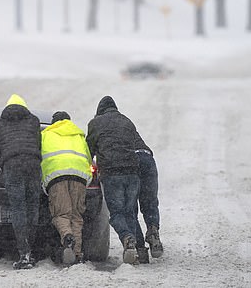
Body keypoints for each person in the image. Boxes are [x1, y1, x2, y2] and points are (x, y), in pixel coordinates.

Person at [0, 94, 42, 270]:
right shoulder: (34, 121)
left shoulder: (1, 123)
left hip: (12, 166)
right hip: (32, 164)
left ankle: (23, 252)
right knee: (33, 206)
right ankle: (30, 249)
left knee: (18, 208)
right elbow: (39, 145)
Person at [86, 96, 140, 265]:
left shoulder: (95, 123)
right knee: (130, 211)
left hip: (111, 173)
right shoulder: (127, 121)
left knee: (116, 213)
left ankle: (127, 238)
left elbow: (89, 150)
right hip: (132, 172)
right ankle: (138, 251)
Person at [40, 111, 93, 265]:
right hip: (79, 177)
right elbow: (89, 158)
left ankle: (67, 236)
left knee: (61, 214)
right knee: (76, 215)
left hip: (56, 177)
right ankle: (77, 254)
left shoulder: (46, 135)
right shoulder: (78, 135)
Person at [134, 143, 164, 263]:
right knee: (150, 202)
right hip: (147, 158)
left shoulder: (108, 134)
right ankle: (153, 230)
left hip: (128, 163)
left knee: (130, 208)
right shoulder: (128, 126)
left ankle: (140, 249)